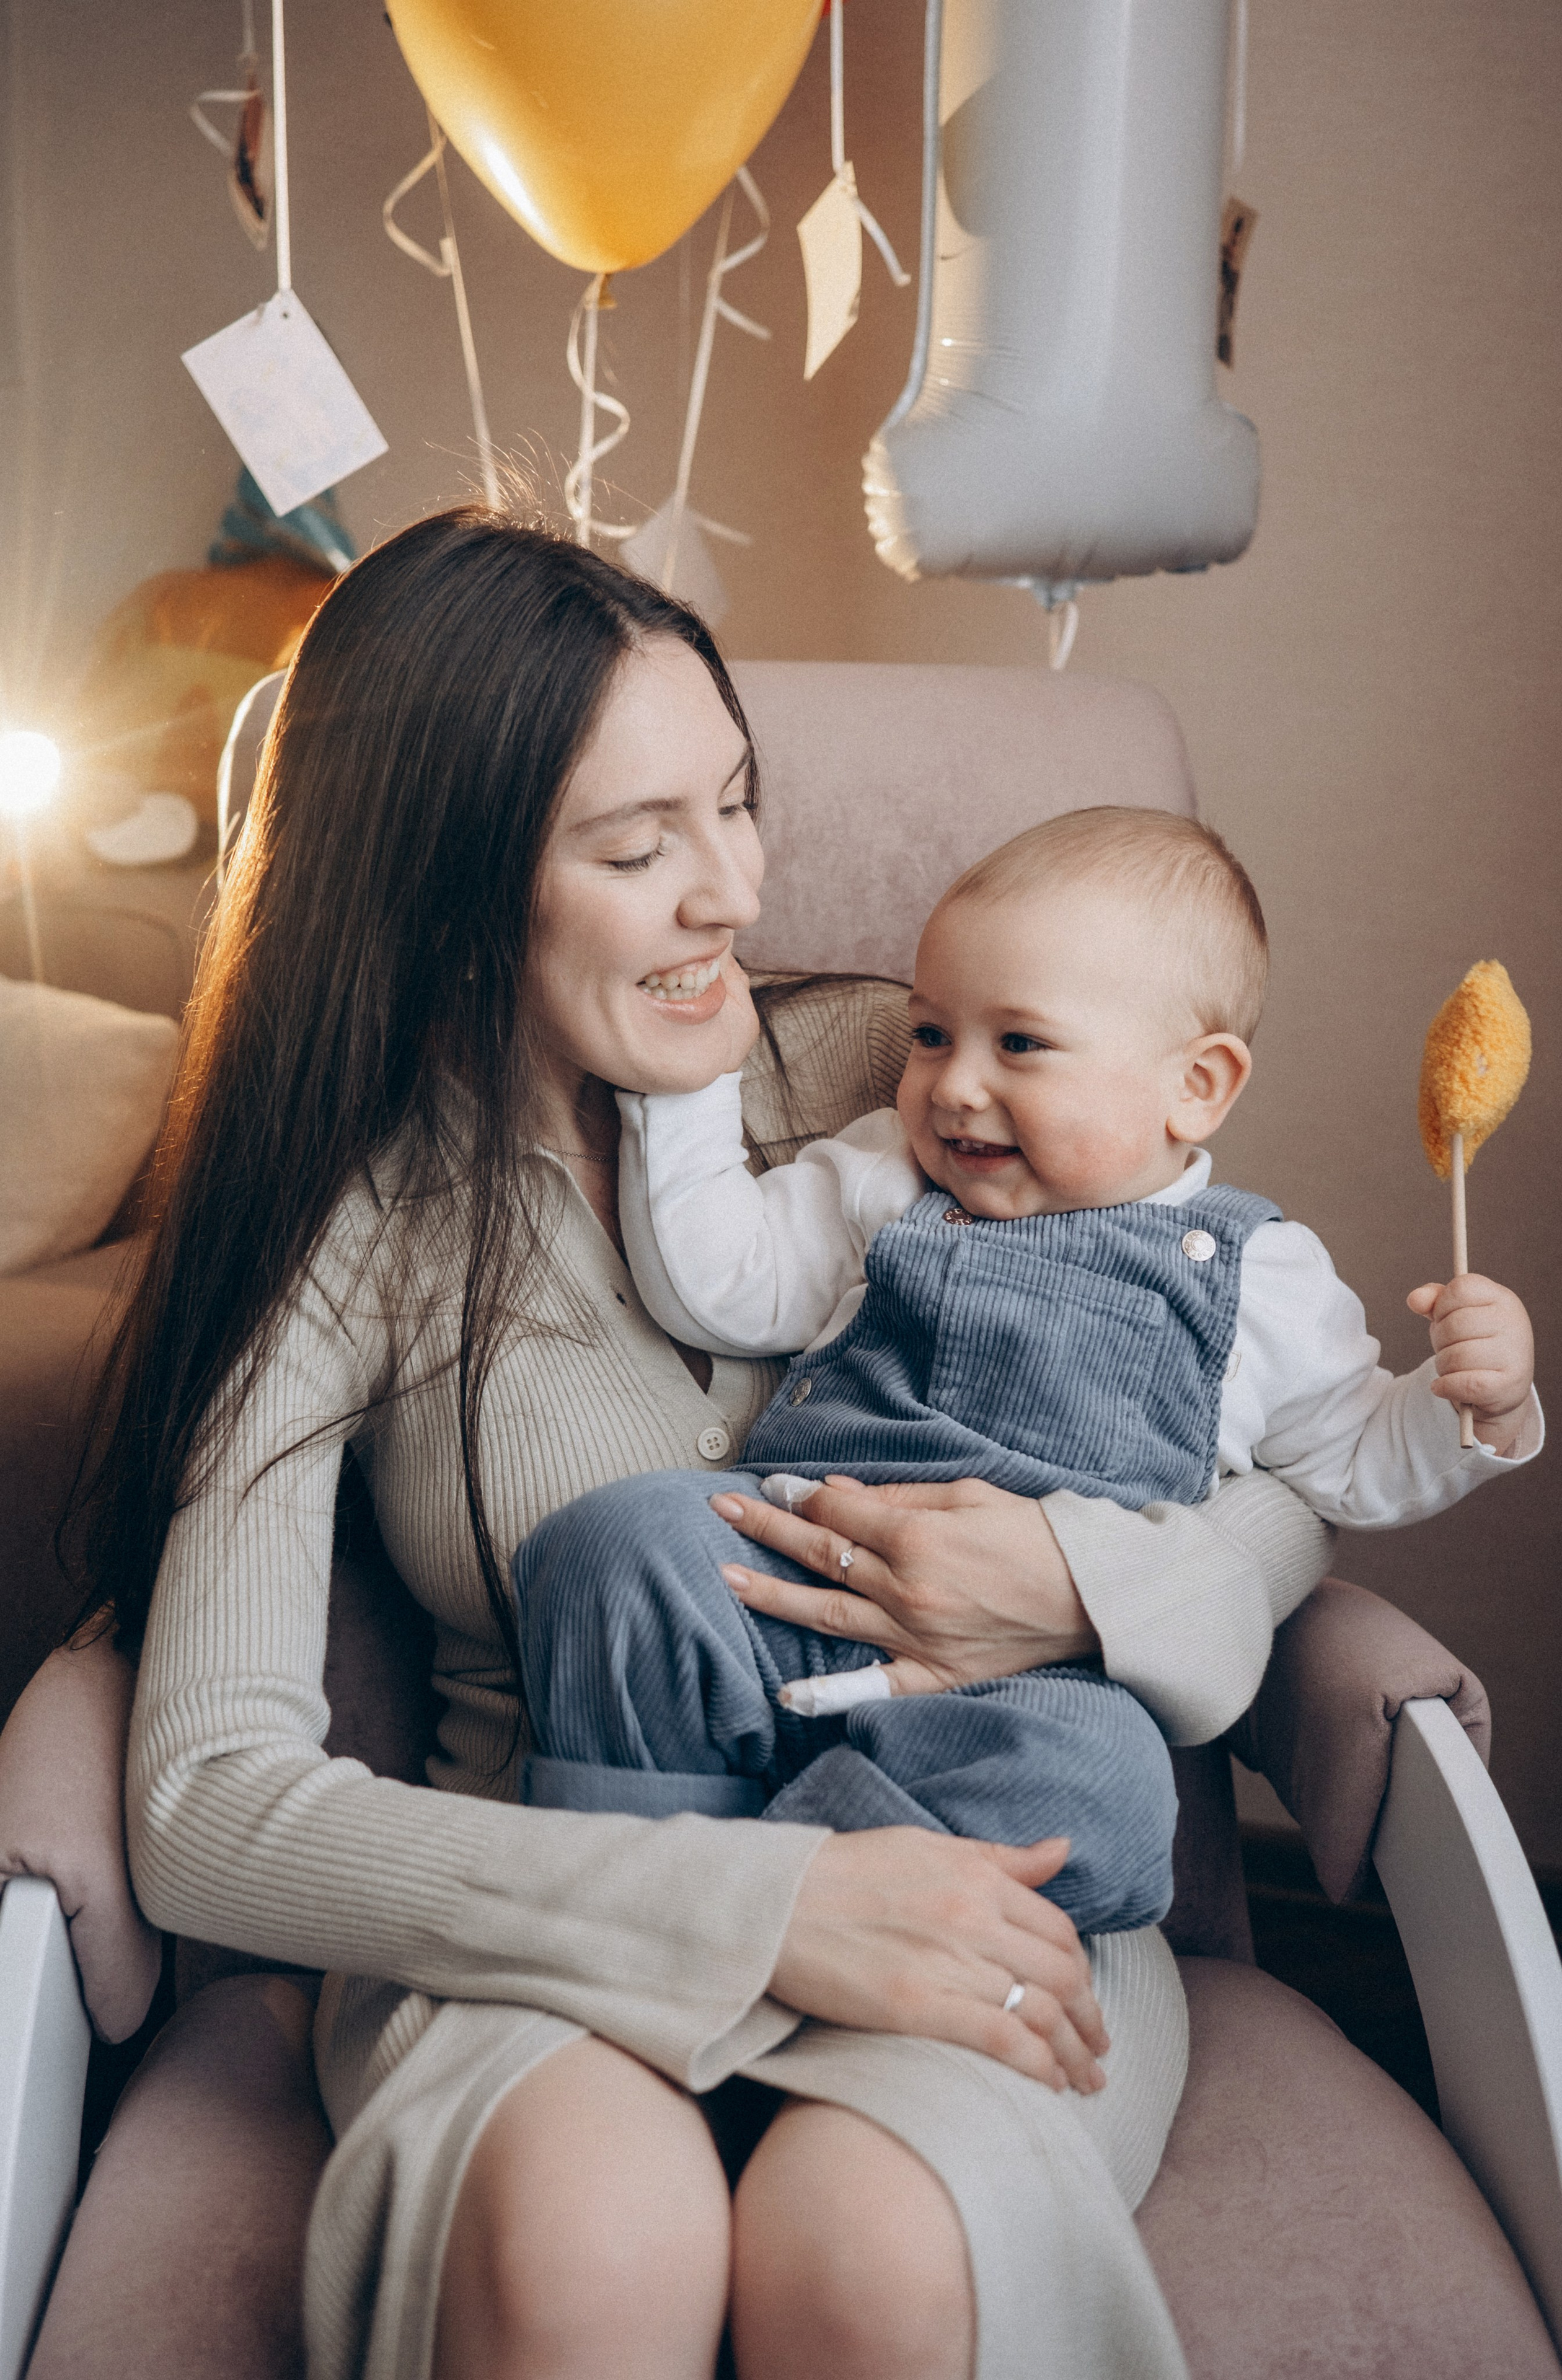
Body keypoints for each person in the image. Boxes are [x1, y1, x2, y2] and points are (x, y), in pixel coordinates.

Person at [92, 509, 1338, 2380]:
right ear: (444, 884)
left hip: (986, 1852)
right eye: (636, 845)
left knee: (874, 2253)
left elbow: (1277, 1433)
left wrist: (1088, 1587)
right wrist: (757, 1905)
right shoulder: (338, 1233)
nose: (733, 896)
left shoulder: (916, 1076)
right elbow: (203, 1808)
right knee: (598, 2242)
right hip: (553, 1896)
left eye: (736, 805)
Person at [512, 808, 1542, 1937]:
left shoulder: (1262, 1277)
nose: (954, 1087)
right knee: (615, 1546)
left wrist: (1474, 1405)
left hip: (1028, 1676)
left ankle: (800, 1890)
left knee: (1105, 1790)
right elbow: (723, 1281)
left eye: (1020, 1046)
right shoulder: (889, 1176)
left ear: (1196, 1086)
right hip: (793, 1568)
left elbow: (1353, 1464)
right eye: (931, 1035)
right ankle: (628, 1892)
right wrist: (690, 1081)